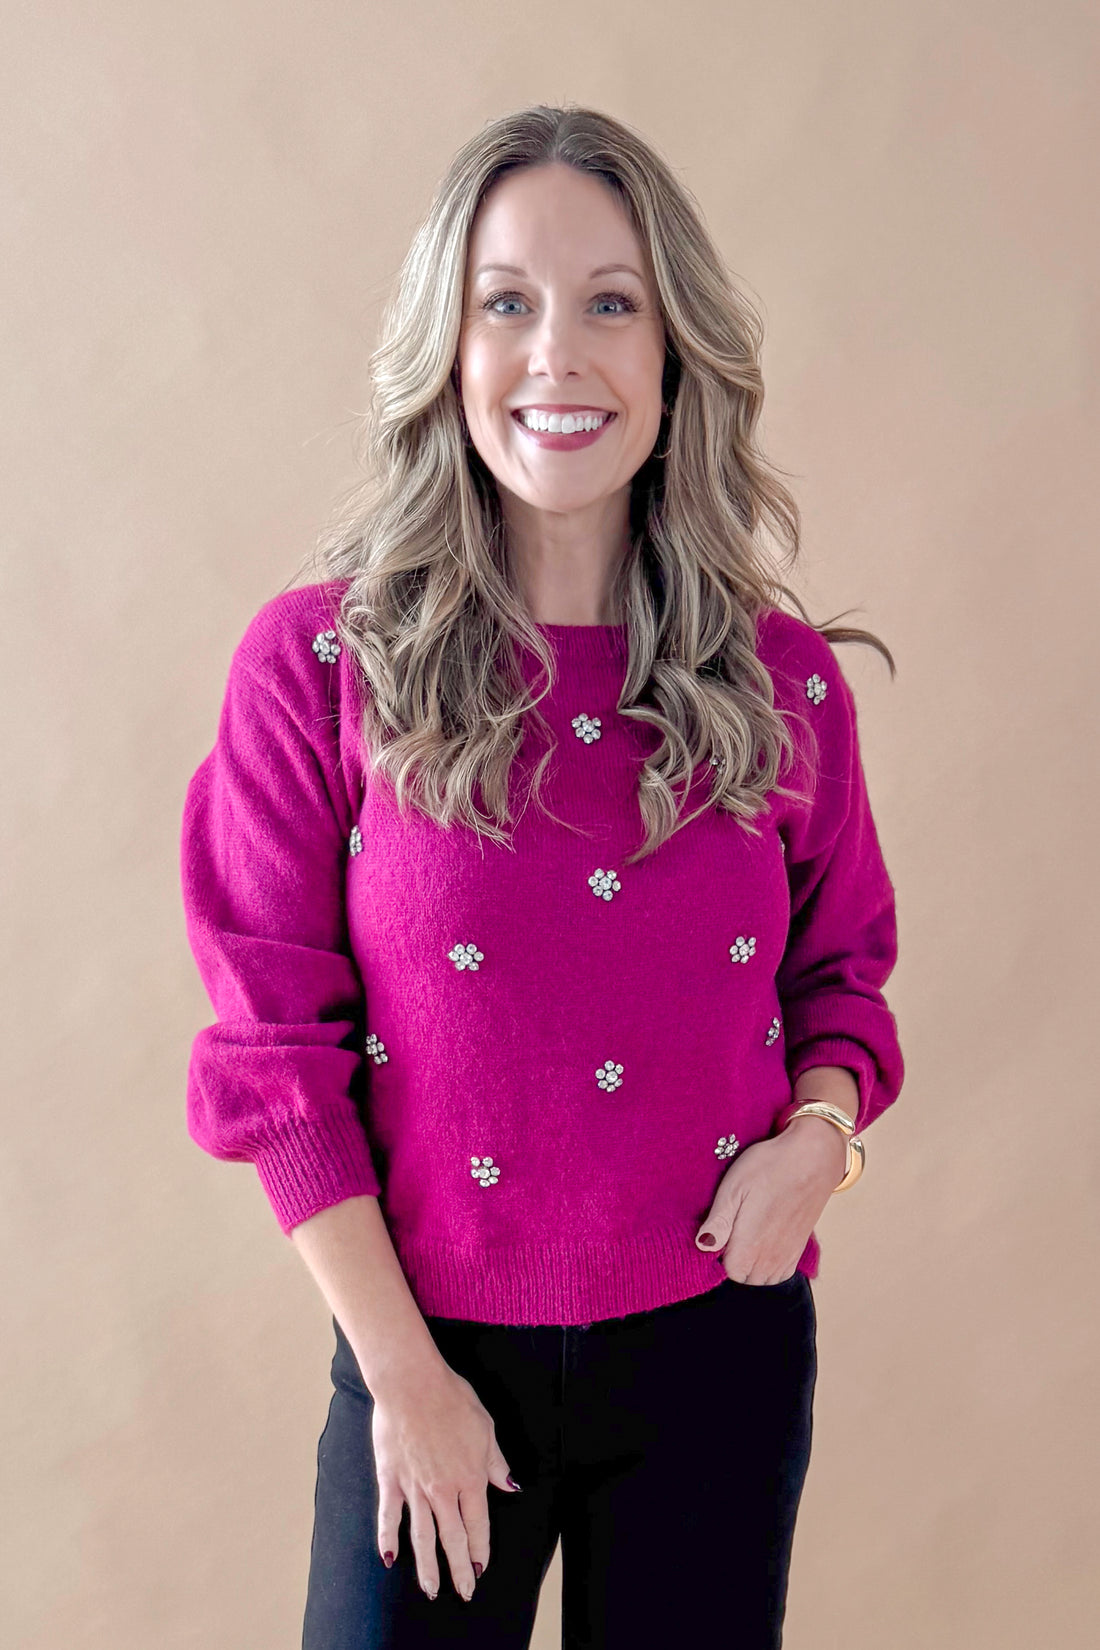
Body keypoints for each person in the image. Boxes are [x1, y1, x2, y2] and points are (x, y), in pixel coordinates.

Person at [180, 103, 904, 1650]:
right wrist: (403, 1376)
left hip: (719, 1355)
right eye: (507, 301)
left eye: (611, 303)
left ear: (674, 356)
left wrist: (823, 1142)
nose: (557, 355)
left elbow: (843, 978)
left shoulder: (776, 685)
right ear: (450, 348)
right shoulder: (315, 668)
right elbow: (275, 1061)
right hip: (425, 1353)